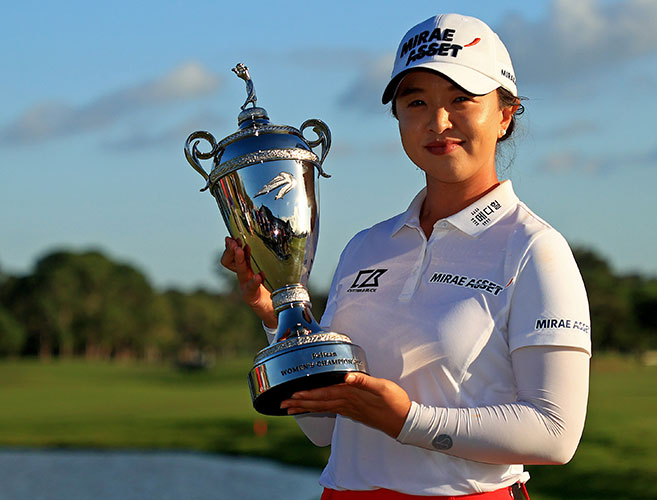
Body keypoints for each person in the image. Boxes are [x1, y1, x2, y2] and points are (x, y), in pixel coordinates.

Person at [222, 13, 591, 500]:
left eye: (461, 99)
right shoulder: (366, 246)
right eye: (416, 102)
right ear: (397, 117)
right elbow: (325, 430)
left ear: (505, 114)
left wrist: (406, 421)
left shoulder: (534, 248)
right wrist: (278, 320)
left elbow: (555, 433)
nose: (438, 122)